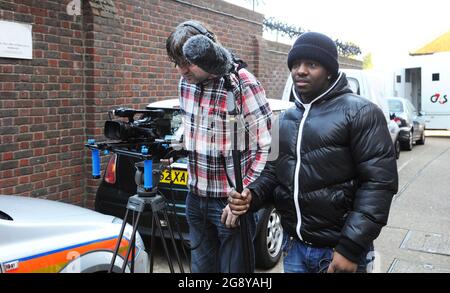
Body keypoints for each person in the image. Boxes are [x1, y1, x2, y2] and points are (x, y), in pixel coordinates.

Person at [228, 32, 398, 273]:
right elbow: (272, 174)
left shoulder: (362, 113)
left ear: (329, 71)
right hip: (294, 249)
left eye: (312, 64)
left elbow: (379, 184)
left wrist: (350, 248)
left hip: (339, 253)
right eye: (295, 64)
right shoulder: (284, 120)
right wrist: (252, 196)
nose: (301, 70)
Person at [165, 20, 272, 273]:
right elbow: (189, 126)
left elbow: (268, 146)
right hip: (195, 199)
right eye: (177, 63)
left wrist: (241, 198)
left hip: (229, 205)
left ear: (208, 51)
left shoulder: (242, 84)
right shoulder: (185, 83)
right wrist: (175, 146)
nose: (182, 70)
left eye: (187, 62)